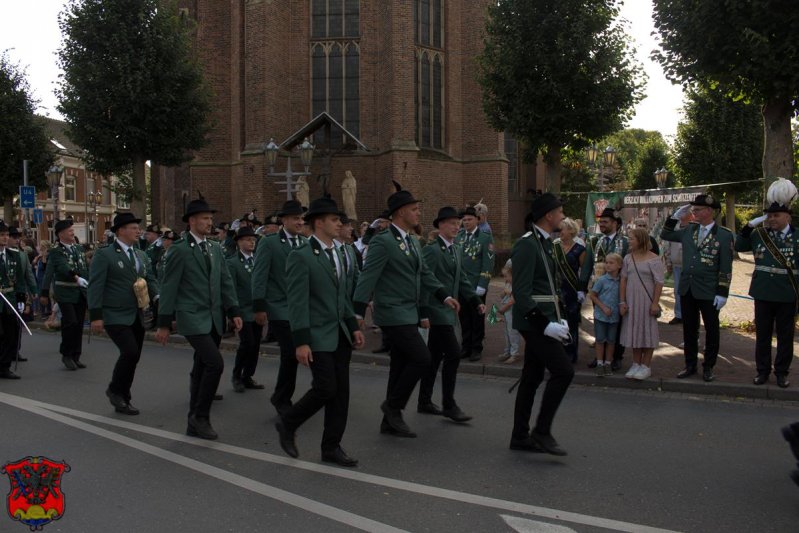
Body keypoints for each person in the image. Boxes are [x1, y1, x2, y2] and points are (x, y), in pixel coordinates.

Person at [353, 183, 460, 438]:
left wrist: (443, 295)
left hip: (408, 312)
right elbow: (368, 277)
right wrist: (357, 313)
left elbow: (424, 273)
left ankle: (390, 421)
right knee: (422, 359)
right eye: (414, 209)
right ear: (400, 212)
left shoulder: (412, 241)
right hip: (392, 312)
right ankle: (393, 406)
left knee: (400, 366)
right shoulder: (383, 242)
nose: (418, 214)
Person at [274, 197, 365, 466]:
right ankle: (288, 422)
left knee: (341, 394)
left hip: (340, 334)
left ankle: (331, 447)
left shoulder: (338, 252)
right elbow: (297, 301)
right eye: (335, 219)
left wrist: (352, 326)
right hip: (316, 335)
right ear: (319, 222)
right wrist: (301, 342)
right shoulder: (301, 255)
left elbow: (341, 296)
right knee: (326, 388)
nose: (340, 224)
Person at [155, 197, 242, 440]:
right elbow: (169, 286)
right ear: (192, 221)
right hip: (192, 316)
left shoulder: (215, 248)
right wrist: (164, 323)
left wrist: (233, 310)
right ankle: (200, 417)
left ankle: (194, 419)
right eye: (205, 218)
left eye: (210, 218)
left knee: (202, 365)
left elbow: (225, 280)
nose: (209, 222)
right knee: (215, 363)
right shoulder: (180, 250)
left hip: (214, 317)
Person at [509, 193, 574, 456]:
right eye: (559, 212)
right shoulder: (527, 244)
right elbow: (522, 292)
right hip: (533, 321)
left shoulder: (546, 243)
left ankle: (520, 436)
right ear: (548, 215)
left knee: (532, 377)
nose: (562, 216)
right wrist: (544, 325)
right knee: (564, 371)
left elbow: (549, 285)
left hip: (546, 317)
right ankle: (542, 431)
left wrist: (559, 316)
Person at [416, 206, 485, 422]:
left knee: (434, 357)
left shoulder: (455, 248)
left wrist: (475, 300)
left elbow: (462, 278)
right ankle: (449, 404)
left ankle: (424, 401)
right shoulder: (432, 249)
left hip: (448, 310)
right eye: (453, 223)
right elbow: (424, 281)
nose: (457, 227)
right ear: (440, 225)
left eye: (459, 223)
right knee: (454, 353)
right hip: (437, 311)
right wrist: (424, 311)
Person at [88, 212, 159, 415]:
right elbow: (95, 286)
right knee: (129, 352)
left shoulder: (141, 255)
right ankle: (115, 390)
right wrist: (96, 315)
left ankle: (124, 396)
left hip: (138, 313)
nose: (138, 231)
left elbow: (150, 279)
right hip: (114, 314)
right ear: (120, 231)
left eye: (138, 227)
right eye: (134, 227)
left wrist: (157, 297)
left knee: (133, 356)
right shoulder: (105, 254)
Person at [660, 194, 733, 382]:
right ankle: (690, 365)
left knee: (712, 330)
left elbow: (725, 267)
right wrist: (675, 216)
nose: (694, 213)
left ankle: (708, 366)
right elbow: (665, 234)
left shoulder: (724, 235)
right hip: (688, 288)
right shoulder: (689, 230)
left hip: (709, 290)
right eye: (693, 210)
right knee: (689, 330)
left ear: (709, 211)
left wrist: (722, 292)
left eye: (697, 210)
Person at [252, 199, 308, 416]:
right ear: (284, 220)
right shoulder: (270, 242)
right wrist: (259, 306)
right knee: (291, 352)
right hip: (279, 307)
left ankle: (282, 396)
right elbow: (259, 275)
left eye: (302, 218)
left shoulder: (304, 243)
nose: (300, 222)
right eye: (296, 218)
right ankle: (282, 397)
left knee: (296, 353)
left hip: (300, 308)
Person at [735, 199, 798, 388]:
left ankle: (781, 373)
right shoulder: (759, 234)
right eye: (769, 216)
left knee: (785, 336)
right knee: (762, 335)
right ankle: (762, 371)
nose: (771, 219)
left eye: (776, 215)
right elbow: (739, 246)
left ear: (788, 216)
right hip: (763, 293)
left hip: (788, 293)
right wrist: (748, 225)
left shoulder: (797, 236)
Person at [579, 207, 629, 370]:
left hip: (618, 290)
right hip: (599, 291)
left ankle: (616, 357)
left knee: (618, 325)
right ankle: (599, 357)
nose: (602, 225)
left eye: (605, 222)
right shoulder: (594, 241)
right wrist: (582, 288)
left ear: (615, 223)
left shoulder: (625, 242)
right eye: (600, 222)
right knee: (600, 322)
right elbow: (587, 266)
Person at [40, 219, 90, 371]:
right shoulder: (56, 251)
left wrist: (88, 283)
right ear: (60, 234)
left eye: (72, 230)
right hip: (65, 292)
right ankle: (66, 354)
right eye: (69, 230)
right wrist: (44, 292)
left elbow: (84, 269)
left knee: (79, 324)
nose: (72, 232)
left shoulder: (79, 249)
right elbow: (61, 268)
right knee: (70, 322)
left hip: (80, 292)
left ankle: (76, 355)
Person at [619, 228, 664, 381]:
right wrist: (622, 301)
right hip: (631, 300)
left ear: (641, 240)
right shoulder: (627, 258)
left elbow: (659, 282)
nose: (628, 241)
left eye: (631, 238)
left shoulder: (654, 259)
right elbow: (623, 279)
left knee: (647, 331)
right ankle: (636, 363)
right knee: (634, 331)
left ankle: (646, 365)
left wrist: (655, 303)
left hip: (647, 300)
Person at [227, 226, 264, 393]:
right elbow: (231, 289)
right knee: (247, 343)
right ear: (239, 242)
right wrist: (233, 312)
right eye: (248, 240)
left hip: (258, 309)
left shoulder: (258, 259)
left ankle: (248, 375)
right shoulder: (233, 263)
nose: (252, 242)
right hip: (243, 310)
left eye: (253, 240)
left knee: (255, 344)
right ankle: (237, 375)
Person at [455, 206, 494, 362]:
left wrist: (483, 284)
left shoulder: (485, 237)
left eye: (469, 219)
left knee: (477, 318)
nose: (466, 222)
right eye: (463, 220)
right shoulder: (458, 237)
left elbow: (488, 262)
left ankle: (476, 348)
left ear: (477, 219)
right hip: (461, 285)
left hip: (476, 285)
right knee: (463, 317)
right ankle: (466, 347)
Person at [554, 218, 586, 363]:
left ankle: (571, 355)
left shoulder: (579, 249)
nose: (560, 232)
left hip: (572, 291)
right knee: (558, 322)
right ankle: (558, 354)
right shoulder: (555, 247)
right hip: (557, 291)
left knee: (571, 323)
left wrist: (582, 290)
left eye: (563, 229)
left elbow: (584, 273)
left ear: (571, 231)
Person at [0, 222, 28, 379]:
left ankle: (4, 367)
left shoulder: (13, 256)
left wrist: (21, 298)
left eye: (6, 235)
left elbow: (19, 280)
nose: (5, 238)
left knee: (11, 334)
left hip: (9, 300)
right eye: (2, 235)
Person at [588, 253, 622, 376]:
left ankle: (608, 362)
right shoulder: (602, 280)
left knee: (611, 341)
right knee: (600, 340)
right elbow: (593, 295)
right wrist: (602, 307)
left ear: (619, 265)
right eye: (606, 262)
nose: (608, 265)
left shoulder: (621, 281)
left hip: (614, 317)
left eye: (611, 263)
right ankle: (600, 363)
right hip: (600, 316)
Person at [663, 209, 693, 325]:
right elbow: (668, 246)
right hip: (676, 265)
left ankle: (689, 315)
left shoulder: (693, 228)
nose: (682, 214)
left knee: (690, 292)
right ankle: (679, 315)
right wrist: (669, 263)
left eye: (686, 212)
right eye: (681, 212)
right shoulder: (674, 229)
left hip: (689, 266)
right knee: (677, 291)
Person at [497, 259, 521, 364]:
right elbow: (502, 295)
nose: (505, 278)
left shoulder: (516, 285)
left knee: (512, 331)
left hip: (510, 311)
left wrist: (503, 308)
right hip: (507, 312)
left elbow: (513, 300)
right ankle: (508, 351)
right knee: (506, 332)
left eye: (507, 276)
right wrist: (504, 292)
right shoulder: (508, 283)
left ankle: (514, 353)